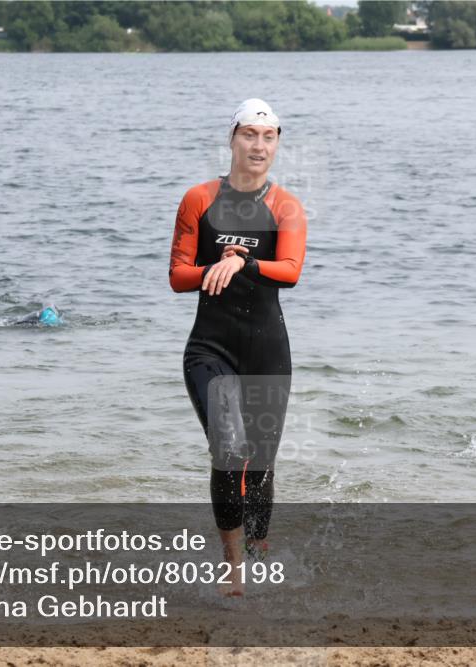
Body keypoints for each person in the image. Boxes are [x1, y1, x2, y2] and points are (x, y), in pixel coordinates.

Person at [169, 99, 307, 595]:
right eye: (249, 134)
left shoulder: (286, 206)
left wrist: (243, 262)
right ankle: (233, 572)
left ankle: (258, 551)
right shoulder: (199, 199)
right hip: (211, 348)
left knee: (261, 463)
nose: (258, 145)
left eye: (268, 137)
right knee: (229, 450)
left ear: (277, 145)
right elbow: (177, 276)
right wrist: (213, 268)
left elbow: (290, 271)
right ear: (231, 139)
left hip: (267, 352)